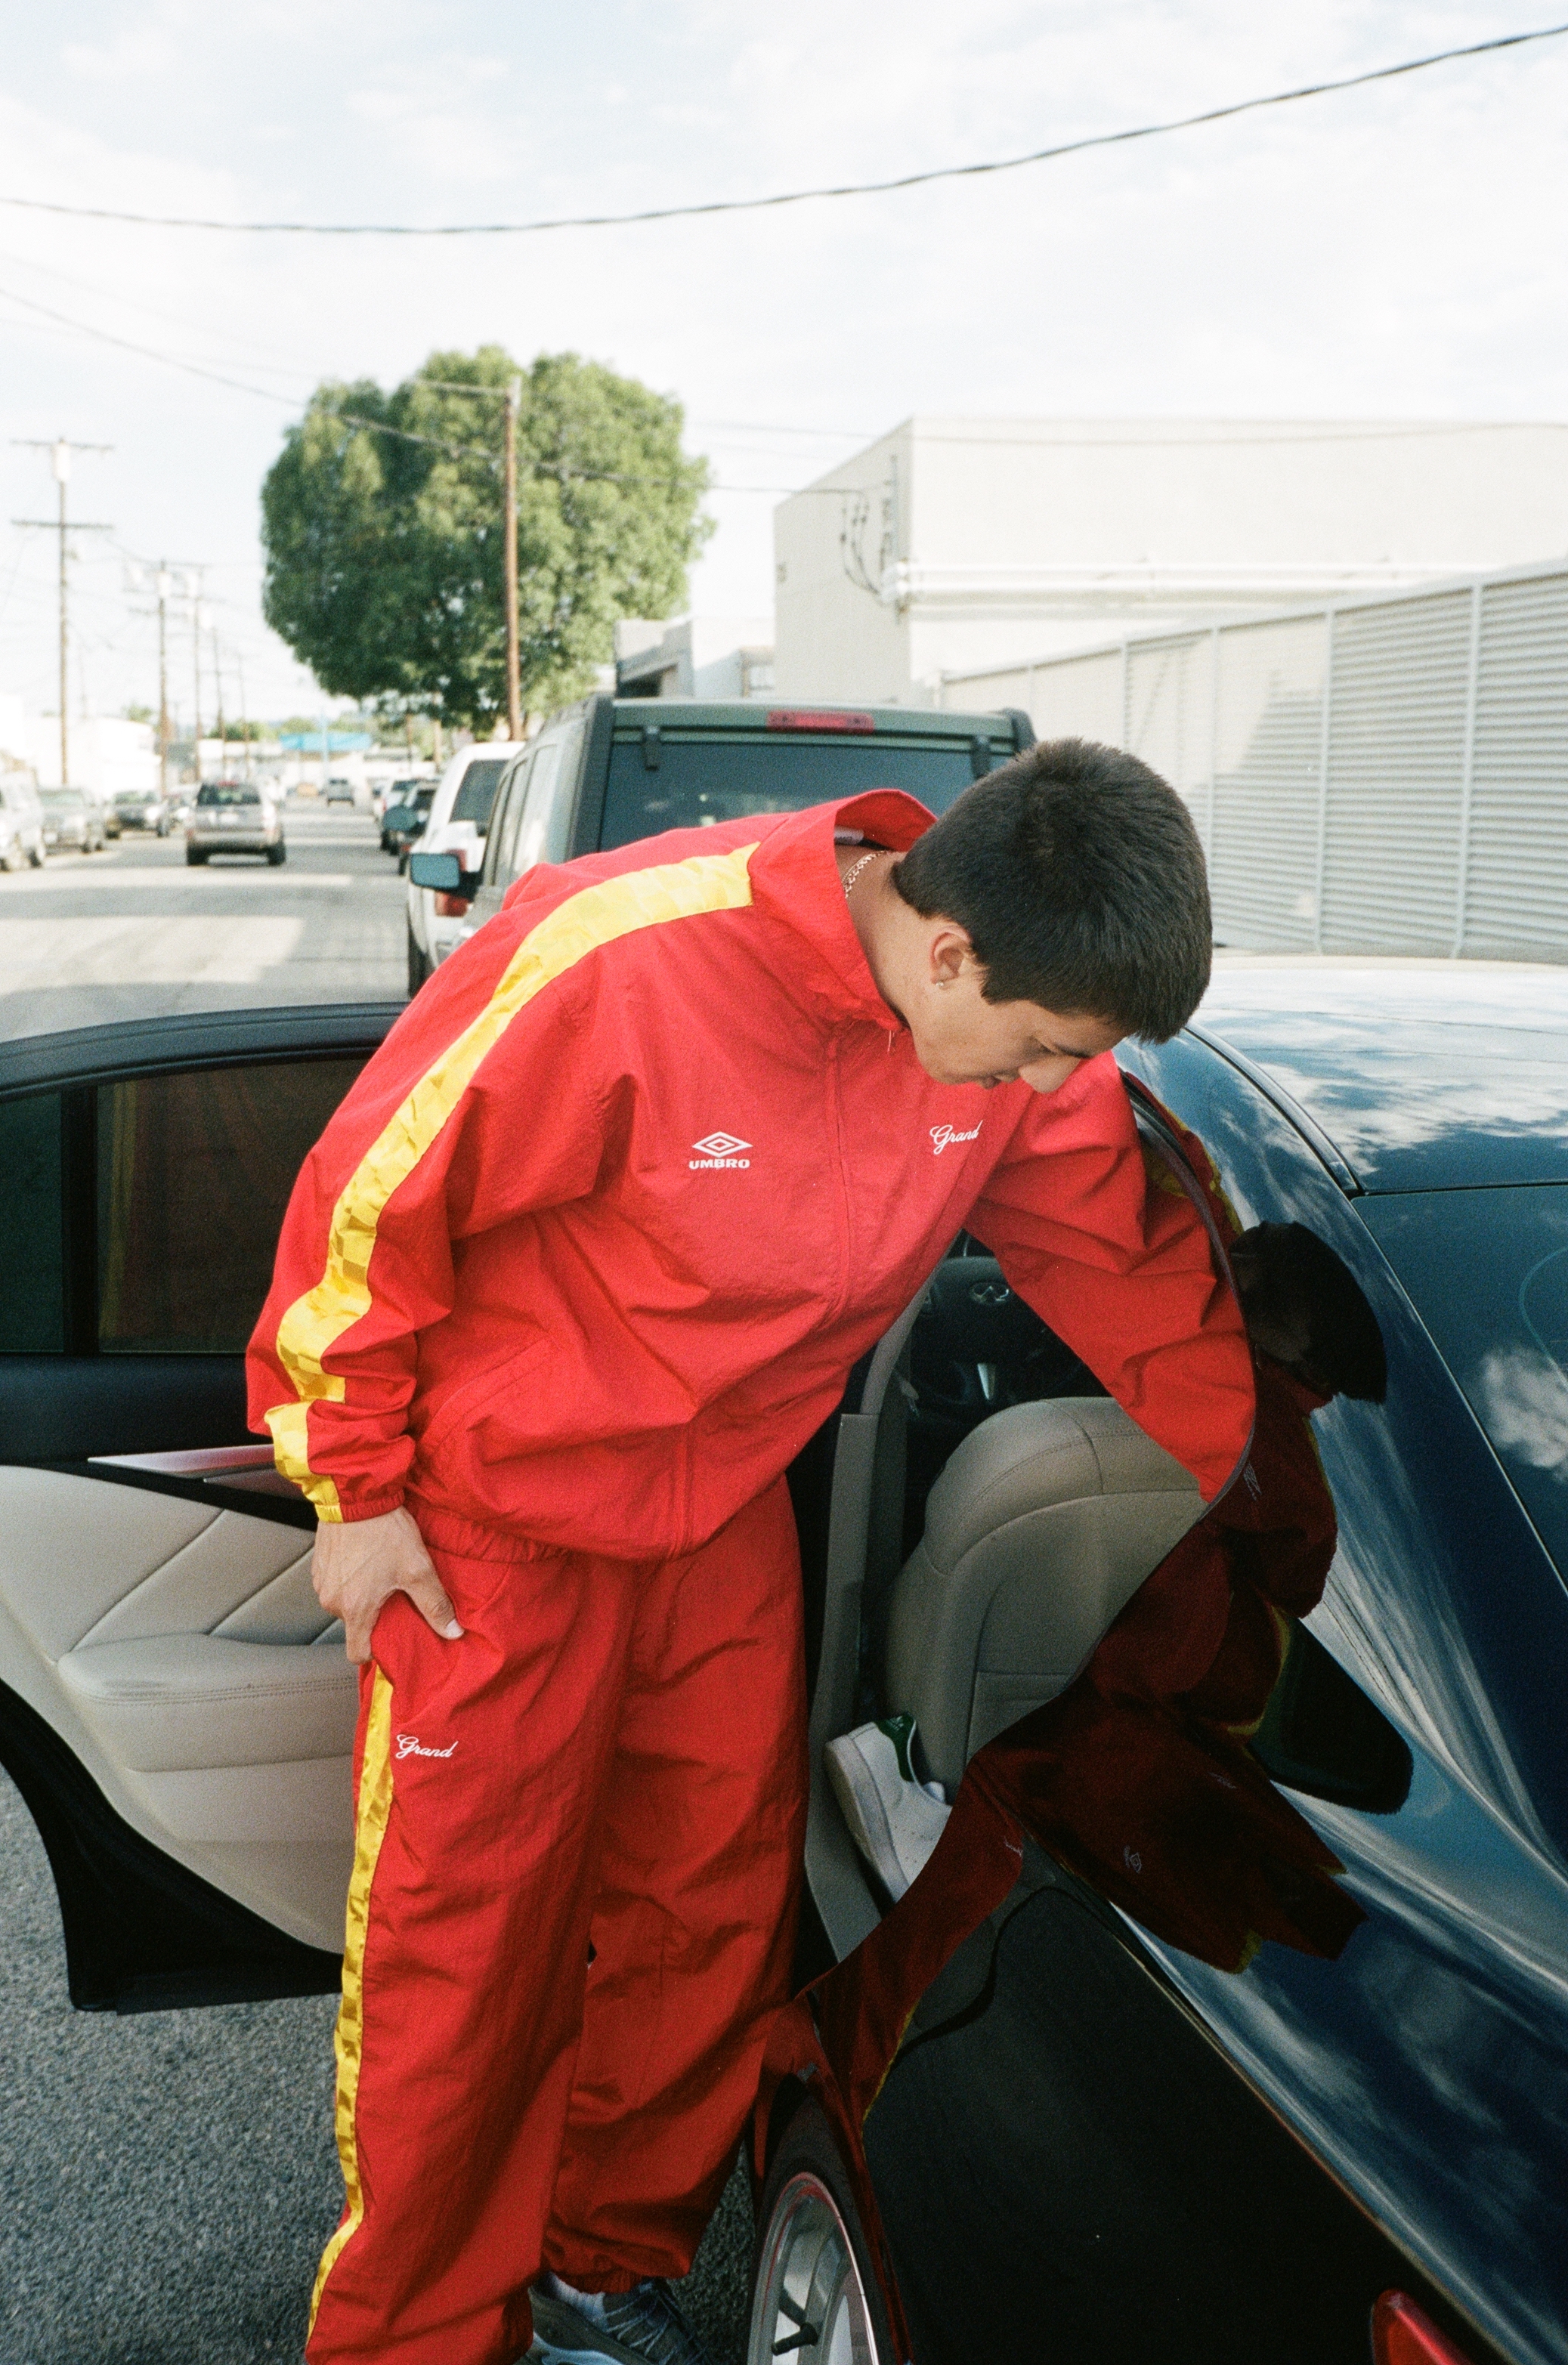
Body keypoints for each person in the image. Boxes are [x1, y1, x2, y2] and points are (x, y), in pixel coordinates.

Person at [246, 737, 1256, 2365]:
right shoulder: (618, 951)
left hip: (719, 1520)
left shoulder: (1014, 1063)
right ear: (949, 950)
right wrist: (355, 1493)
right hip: (494, 1533)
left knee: (707, 1920)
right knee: (467, 1966)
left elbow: (1141, 1282)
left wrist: (1289, 1499)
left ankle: (599, 2272)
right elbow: (368, 1199)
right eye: (1043, 1048)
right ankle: (414, 2338)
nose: (1056, 1090)